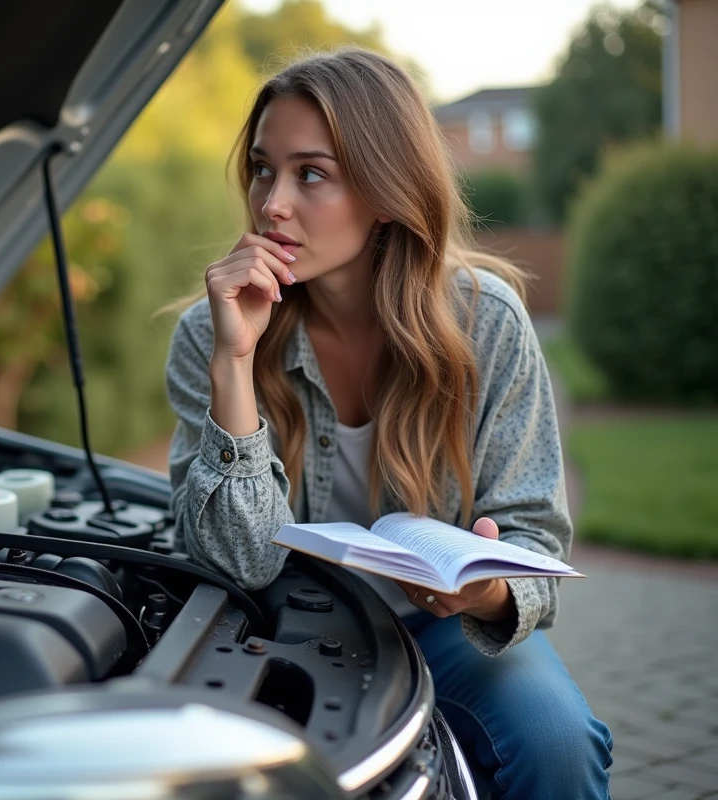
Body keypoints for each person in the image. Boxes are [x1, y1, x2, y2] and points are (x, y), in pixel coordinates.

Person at [165, 48, 613, 799]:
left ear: (383, 189)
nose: (272, 203)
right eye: (262, 169)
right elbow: (238, 562)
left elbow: (535, 538)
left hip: (448, 629)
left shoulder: (487, 323)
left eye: (311, 173)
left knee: (558, 741)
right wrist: (234, 364)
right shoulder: (209, 335)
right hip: (283, 620)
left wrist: (486, 593)